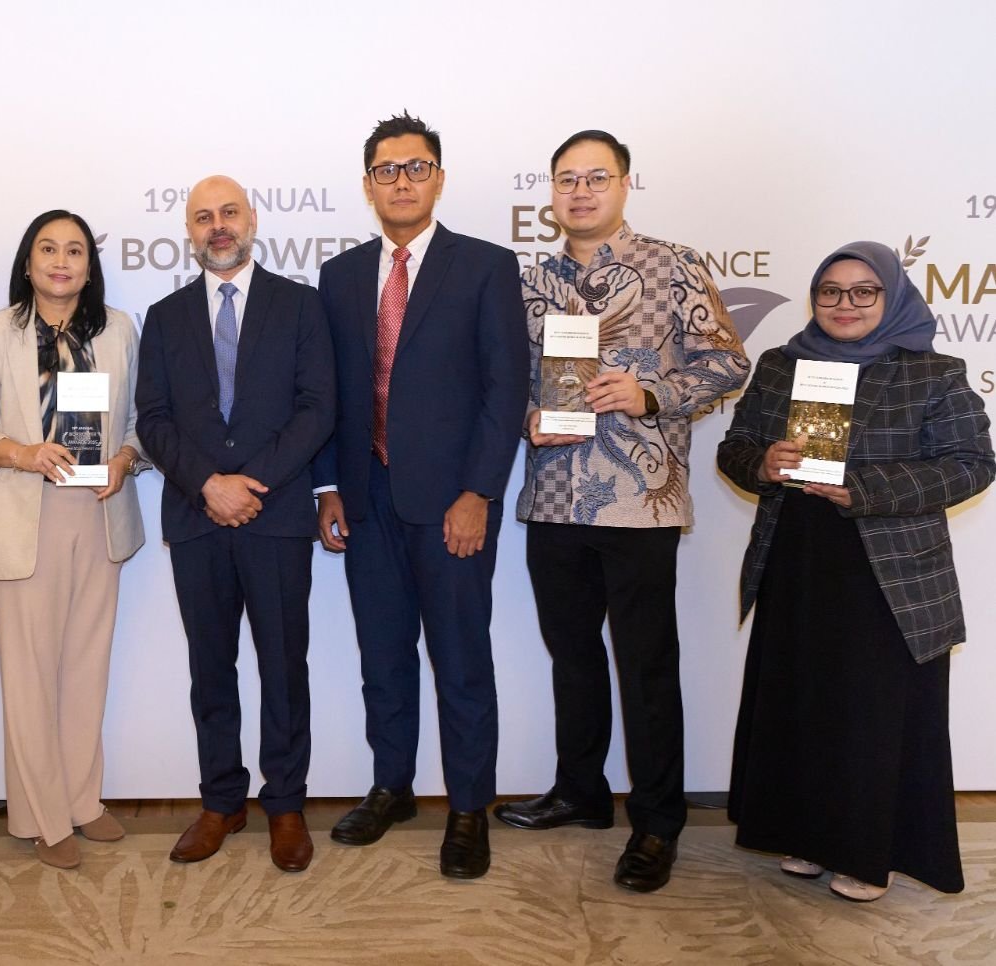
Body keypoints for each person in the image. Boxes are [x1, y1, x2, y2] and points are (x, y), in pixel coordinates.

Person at [494, 130, 749, 893]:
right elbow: (505, 379)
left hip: (641, 502)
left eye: (595, 177)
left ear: (625, 184)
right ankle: (580, 792)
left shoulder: (674, 264)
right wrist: (525, 417)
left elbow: (727, 362)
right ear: (550, 191)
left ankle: (658, 822)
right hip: (553, 496)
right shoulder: (529, 281)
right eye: (567, 179)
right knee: (572, 656)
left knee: (645, 667)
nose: (580, 191)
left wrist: (651, 393)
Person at [719, 241, 993, 901]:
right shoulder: (781, 364)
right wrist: (764, 464)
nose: (845, 304)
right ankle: (806, 835)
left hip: (891, 573)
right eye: (831, 291)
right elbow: (736, 447)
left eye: (864, 291)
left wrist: (865, 488)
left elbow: (971, 465)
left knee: (873, 714)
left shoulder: (934, 372)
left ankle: (869, 854)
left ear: (891, 296)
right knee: (802, 703)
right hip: (798, 558)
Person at [314, 112, 528, 880]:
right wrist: (329, 488)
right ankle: (392, 787)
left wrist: (478, 493)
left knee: (461, 662)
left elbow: (506, 390)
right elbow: (331, 395)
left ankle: (469, 809)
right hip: (365, 501)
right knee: (383, 657)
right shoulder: (340, 276)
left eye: (415, 168)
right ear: (368, 184)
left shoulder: (486, 267)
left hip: (450, 507)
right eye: (387, 170)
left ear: (438, 178)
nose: (401, 181)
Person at [136, 175, 334, 873]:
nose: (217, 226)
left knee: (283, 666)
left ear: (252, 219)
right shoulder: (164, 317)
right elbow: (153, 419)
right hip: (197, 518)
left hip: (275, 517)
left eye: (228, 213)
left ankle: (286, 804)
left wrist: (252, 483)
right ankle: (221, 801)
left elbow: (318, 406)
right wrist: (208, 485)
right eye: (203, 217)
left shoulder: (301, 305)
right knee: (210, 668)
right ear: (189, 232)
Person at [0, 210, 146, 870]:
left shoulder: (119, 330)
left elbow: (142, 420)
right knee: (31, 675)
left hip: (98, 514)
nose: (61, 261)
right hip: (22, 516)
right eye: (48, 249)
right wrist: (24, 453)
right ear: (28, 262)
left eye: (75, 251)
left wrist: (125, 459)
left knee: (87, 666)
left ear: (90, 266)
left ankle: (83, 800)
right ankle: (40, 815)